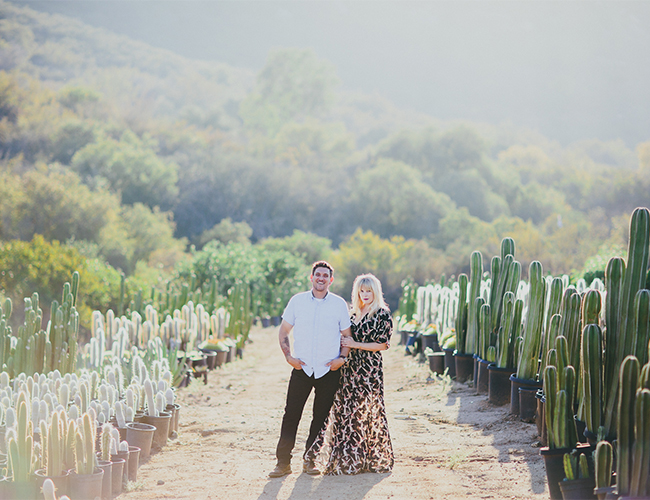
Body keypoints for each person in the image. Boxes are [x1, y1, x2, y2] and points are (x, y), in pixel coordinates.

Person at [269, 261, 352, 478]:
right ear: (311, 277)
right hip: (302, 368)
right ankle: (283, 463)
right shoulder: (297, 301)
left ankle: (310, 460)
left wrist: (342, 359)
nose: (321, 278)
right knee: (291, 415)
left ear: (330, 280)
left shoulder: (339, 304)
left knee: (320, 417)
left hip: (329, 370)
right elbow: (284, 330)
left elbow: (347, 336)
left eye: (326, 275)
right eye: (318, 275)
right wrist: (288, 356)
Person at [305, 273, 394, 475]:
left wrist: (355, 345)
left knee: (366, 411)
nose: (364, 294)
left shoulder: (382, 313)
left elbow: (383, 344)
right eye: (361, 291)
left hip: (369, 369)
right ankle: (349, 458)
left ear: (375, 292)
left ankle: (367, 459)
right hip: (349, 368)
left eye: (368, 291)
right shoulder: (353, 313)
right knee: (347, 412)